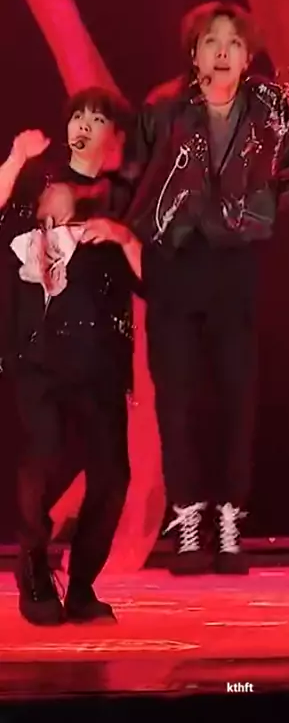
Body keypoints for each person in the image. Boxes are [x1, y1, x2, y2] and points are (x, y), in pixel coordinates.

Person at [41, 2, 289, 575]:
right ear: (194, 54)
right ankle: (188, 521)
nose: (222, 53)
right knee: (176, 401)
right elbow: (131, 180)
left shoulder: (271, 110)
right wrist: (86, 205)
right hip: (172, 269)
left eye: (233, 43)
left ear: (249, 56)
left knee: (235, 398)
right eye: (210, 42)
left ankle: (228, 521)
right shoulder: (164, 108)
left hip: (235, 269)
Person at [0, 87, 142, 625]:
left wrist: (122, 236)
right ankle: (35, 569)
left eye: (97, 118)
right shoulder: (39, 179)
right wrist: (17, 158)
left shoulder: (126, 197)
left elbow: (153, 278)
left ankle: (82, 586)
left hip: (101, 356)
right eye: (77, 115)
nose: (83, 124)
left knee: (112, 476)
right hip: (40, 348)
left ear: (115, 136)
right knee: (44, 453)